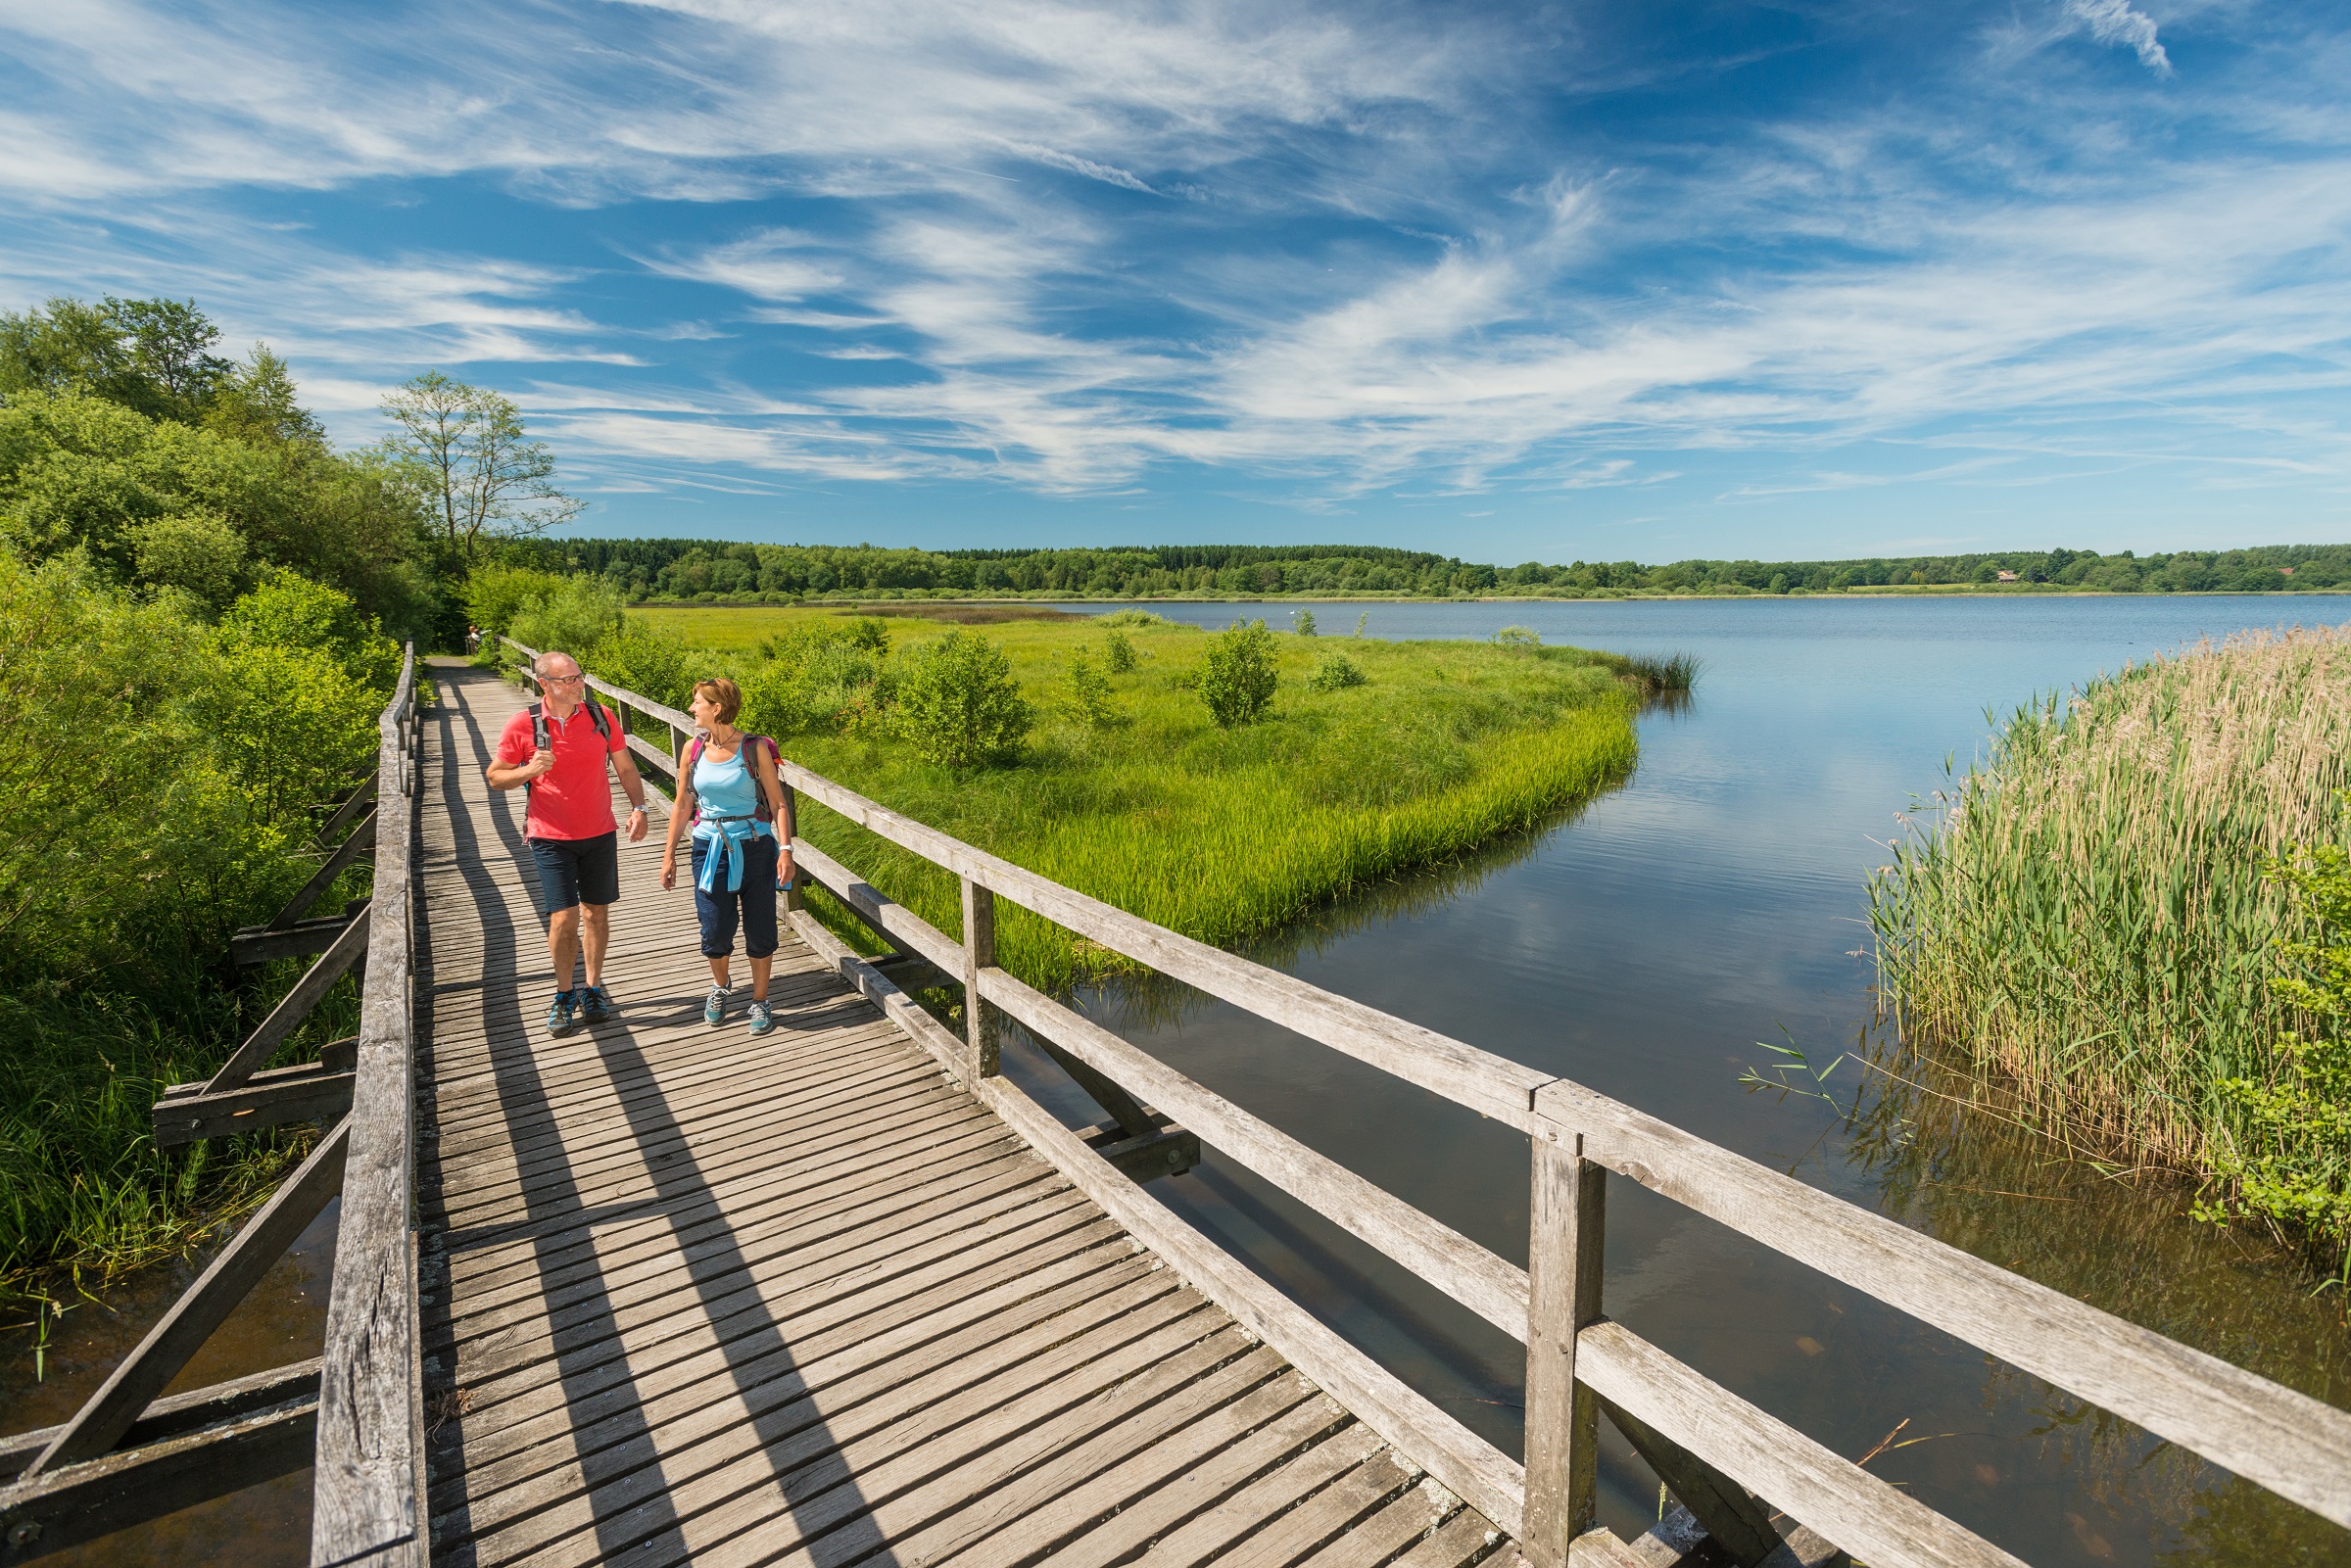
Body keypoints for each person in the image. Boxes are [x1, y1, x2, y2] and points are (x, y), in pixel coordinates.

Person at [485, 649, 652, 1035]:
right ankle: (564, 994)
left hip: (599, 831)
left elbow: (625, 766)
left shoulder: (600, 716)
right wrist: (529, 769)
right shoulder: (522, 725)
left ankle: (592, 988)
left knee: (596, 914)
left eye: (579, 677)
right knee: (563, 918)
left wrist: (640, 807)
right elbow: (495, 777)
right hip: (550, 835)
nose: (579, 685)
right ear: (545, 683)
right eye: (569, 680)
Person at [660, 677, 796, 1036]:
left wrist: (785, 849)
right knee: (715, 927)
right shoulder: (692, 748)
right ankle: (720, 987)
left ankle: (761, 999)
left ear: (716, 708)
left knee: (761, 924)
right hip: (708, 848)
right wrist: (669, 853)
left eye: (697, 703)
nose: (692, 709)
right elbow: (683, 803)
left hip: (755, 847)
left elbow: (779, 803)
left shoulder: (754, 749)